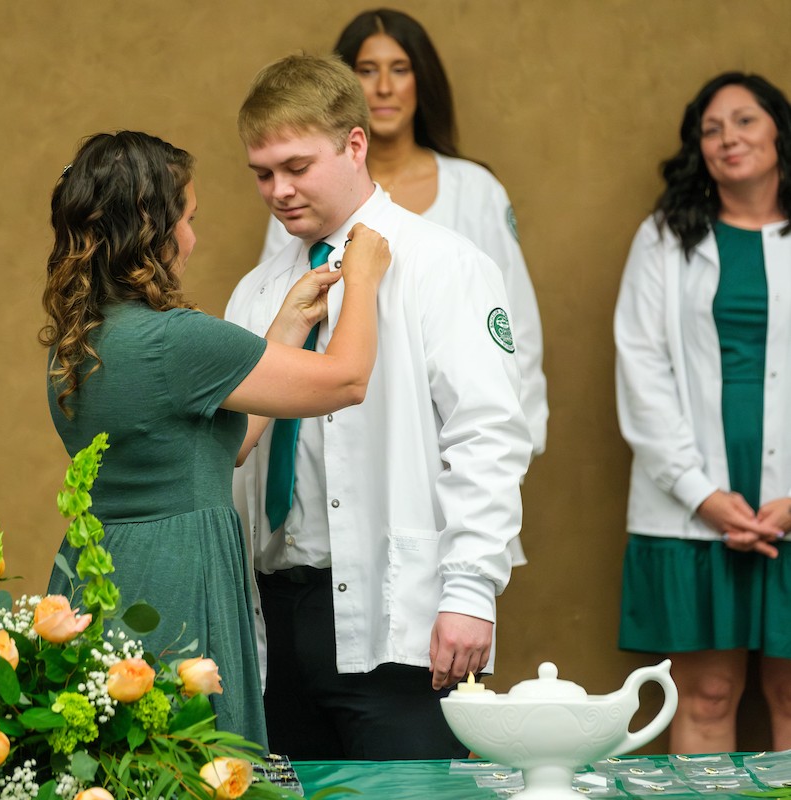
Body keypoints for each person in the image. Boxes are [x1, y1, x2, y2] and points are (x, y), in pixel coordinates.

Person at [226, 54, 531, 760]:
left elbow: (487, 435)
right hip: (275, 609)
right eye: (262, 173)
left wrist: (469, 593)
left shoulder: (443, 264)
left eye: (296, 167)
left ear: (354, 144)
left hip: (401, 613)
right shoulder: (256, 289)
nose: (278, 190)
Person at [42, 130, 390, 748]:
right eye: (189, 218)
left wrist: (285, 325)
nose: (194, 237)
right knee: (186, 753)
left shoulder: (83, 341)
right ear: (154, 227)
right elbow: (347, 380)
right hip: (179, 575)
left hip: (99, 570)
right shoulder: (179, 339)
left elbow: (217, 451)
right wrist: (362, 277)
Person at [259, 8, 547, 476]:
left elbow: (516, 323)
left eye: (400, 69)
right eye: (367, 71)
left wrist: (513, 447)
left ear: (422, 80)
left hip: (453, 441)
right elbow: (276, 309)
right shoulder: (305, 197)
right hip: (337, 446)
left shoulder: (474, 189)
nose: (384, 88)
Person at [615, 72, 791, 753]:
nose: (726, 139)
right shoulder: (664, 239)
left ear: (778, 131)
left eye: (743, 122)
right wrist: (701, 494)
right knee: (707, 696)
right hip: (690, 510)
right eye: (710, 129)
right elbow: (641, 369)